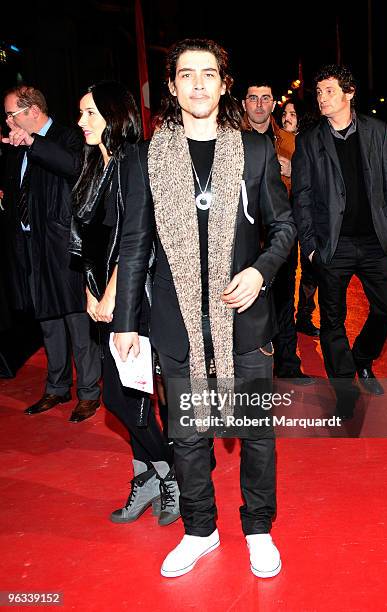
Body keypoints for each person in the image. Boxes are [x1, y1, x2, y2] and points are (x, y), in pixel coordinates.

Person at [113, 39, 296, 579]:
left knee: (257, 434)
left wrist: (260, 270)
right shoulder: (152, 156)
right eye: (186, 74)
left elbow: (283, 227)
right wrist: (125, 320)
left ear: (223, 84)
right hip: (177, 323)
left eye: (208, 74)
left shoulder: (256, 151)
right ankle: (200, 530)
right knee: (188, 439)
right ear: (171, 87)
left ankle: (259, 529)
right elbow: (134, 242)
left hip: (244, 321)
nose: (197, 83)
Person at [70, 81, 180, 526]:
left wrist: (114, 294)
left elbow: (140, 239)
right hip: (102, 301)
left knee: (121, 399)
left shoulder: (136, 160)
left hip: (135, 301)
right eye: (80, 113)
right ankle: (151, 475)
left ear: (115, 115)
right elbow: (84, 244)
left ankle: (170, 472)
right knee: (129, 399)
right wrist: (90, 293)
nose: (81, 122)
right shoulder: (92, 167)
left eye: (90, 113)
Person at [292, 64, 387, 417]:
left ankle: (363, 359)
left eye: (329, 90)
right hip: (332, 244)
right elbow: (303, 196)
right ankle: (344, 388)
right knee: (332, 321)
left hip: (376, 242)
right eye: (319, 91)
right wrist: (310, 245)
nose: (322, 98)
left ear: (349, 93)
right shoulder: (310, 140)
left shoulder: (376, 131)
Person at [2, 85, 101, 421]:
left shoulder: (69, 136)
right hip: (32, 246)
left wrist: (34, 144)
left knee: (77, 320)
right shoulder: (17, 147)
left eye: (11, 114)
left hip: (63, 247)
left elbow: (74, 167)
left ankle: (89, 392)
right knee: (47, 321)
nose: (7, 121)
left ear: (32, 111)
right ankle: (57, 387)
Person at [242, 82, 314, 383]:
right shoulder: (230, 139)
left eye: (265, 99)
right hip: (242, 233)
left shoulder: (290, 141)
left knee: (283, 299)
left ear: (274, 105)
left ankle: (287, 364)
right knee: (244, 301)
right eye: (253, 98)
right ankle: (244, 368)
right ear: (244, 104)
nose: (259, 105)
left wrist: (291, 172)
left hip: (280, 232)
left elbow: (311, 186)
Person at [279, 99, 320, 338]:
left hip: (306, 215)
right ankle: (283, 319)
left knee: (310, 269)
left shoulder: (309, 142)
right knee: (285, 269)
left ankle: (304, 317)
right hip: (282, 215)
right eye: (284, 113)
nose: (287, 117)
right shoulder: (274, 140)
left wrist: (294, 171)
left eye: (293, 113)